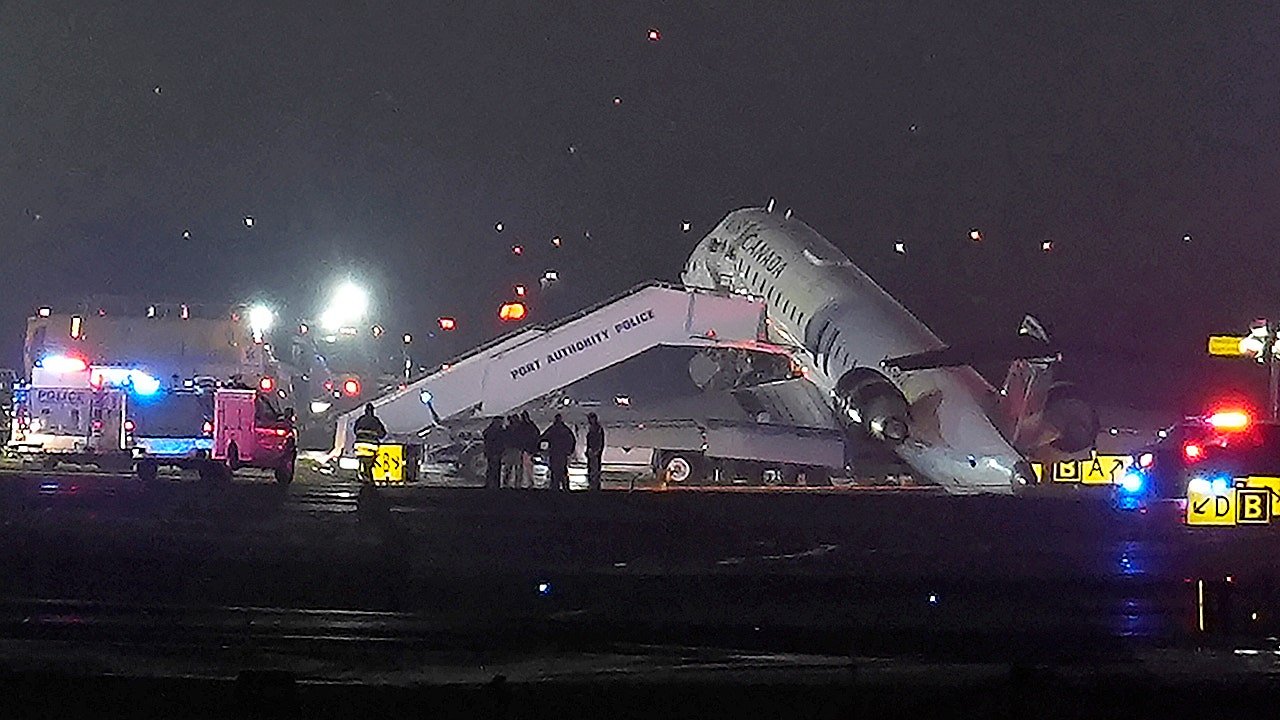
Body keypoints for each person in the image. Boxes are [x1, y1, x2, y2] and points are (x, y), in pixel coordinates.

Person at [541, 413, 576, 492]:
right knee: (561, 470)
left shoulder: (553, 429)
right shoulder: (564, 429)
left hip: (556, 453)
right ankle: (564, 487)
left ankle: (556, 487)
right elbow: (572, 440)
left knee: (556, 470)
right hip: (560, 453)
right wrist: (569, 450)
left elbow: (544, 436)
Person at [352, 403, 387, 482]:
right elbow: (382, 434)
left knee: (363, 460)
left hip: (359, 446)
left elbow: (355, 430)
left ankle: (362, 473)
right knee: (370, 463)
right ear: (373, 411)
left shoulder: (360, 420)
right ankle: (368, 477)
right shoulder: (375, 421)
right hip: (371, 446)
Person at [482, 417, 504, 490]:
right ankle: (492, 484)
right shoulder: (494, 431)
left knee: (494, 469)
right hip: (493, 452)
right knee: (493, 469)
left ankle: (493, 484)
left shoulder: (493, 430)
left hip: (495, 452)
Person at [519, 411, 539, 489]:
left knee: (526, 466)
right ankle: (528, 482)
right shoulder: (531, 426)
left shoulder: (524, 427)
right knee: (527, 467)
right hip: (527, 449)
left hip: (526, 449)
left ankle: (527, 482)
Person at [501, 415, 522, 488]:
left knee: (514, 467)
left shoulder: (511, 430)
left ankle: (513, 483)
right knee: (511, 467)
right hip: (512, 449)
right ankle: (509, 482)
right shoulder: (516, 430)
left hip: (514, 449)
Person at [586, 413, 604, 492]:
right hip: (591, 450)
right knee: (591, 466)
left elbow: (599, 440)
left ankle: (594, 483)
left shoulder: (597, 429)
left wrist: (597, 450)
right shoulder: (593, 428)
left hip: (595, 450)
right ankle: (593, 482)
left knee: (595, 467)